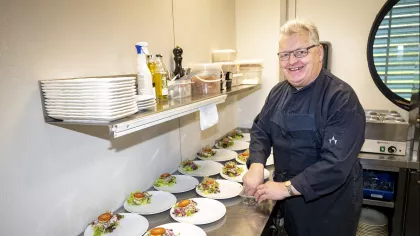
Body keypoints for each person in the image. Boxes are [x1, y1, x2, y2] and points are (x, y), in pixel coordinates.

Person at [243, 19, 366, 236]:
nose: (292, 61)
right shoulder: (278, 92)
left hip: (329, 209)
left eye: (300, 52)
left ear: (319, 53)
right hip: (290, 202)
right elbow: (261, 129)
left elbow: (335, 165)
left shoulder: (340, 98)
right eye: (284, 55)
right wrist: (256, 165)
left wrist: (285, 188)